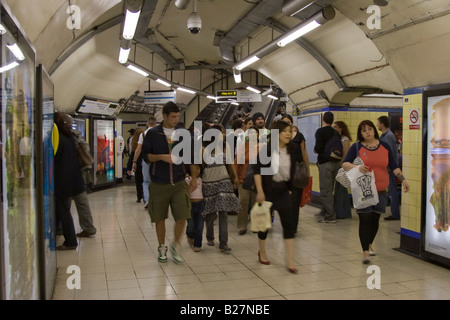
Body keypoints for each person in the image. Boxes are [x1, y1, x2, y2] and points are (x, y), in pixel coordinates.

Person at [342, 120, 409, 264]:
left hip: (381, 190)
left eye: (369, 129)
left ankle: (369, 243)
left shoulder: (384, 146)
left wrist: (403, 179)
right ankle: (365, 251)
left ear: (374, 130)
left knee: (374, 220)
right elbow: (345, 164)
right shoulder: (357, 147)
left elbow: (394, 166)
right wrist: (356, 167)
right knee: (365, 219)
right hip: (364, 190)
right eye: (364, 130)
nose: (367, 132)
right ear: (360, 133)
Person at [141, 102, 191, 263]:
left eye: (178, 116)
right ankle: (161, 247)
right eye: (173, 117)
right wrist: (162, 157)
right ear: (164, 116)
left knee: (182, 216)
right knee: (159, 217)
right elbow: (146, 156)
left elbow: (190, 156)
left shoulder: (183, 133)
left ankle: (176, 245)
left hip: (178, 182)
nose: (176, 119)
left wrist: (193, 177)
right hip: (159, 183)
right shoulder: (153, 134)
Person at [252, 120, 302, 273]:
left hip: (283, 190)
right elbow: (257, 171)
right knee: (264, 225)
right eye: (285, 131)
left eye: (289, 131)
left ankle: (290, 260)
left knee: (288, 225)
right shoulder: (267, 150)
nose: (288, 134)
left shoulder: (293, 149)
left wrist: (291, 188)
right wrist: (260, 191)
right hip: (267, 191)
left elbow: (294, 169)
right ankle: (263, 252)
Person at [202, 124, 241, 253]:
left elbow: (229, 164)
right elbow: (200, 167)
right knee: (211, 212)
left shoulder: (225, 147)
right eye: (220, 133)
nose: (223, 135)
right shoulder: (204, 149)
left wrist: (234, 178)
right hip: (209, 183)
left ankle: (223, 243)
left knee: (223, 212)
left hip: (224, 181)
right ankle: (210, 236)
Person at [54, 112, 85, 250]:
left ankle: (71, 241)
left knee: (64, 210)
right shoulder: (69, 137)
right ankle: (56, 233)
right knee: (61, 210)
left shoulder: (58, 138)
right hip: (71, 179)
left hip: (62, 181)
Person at [281, 115, 310, 232]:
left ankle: (293, 227)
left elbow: (304, 153)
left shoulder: (299, 136)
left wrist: (307, 170)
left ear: (292, 123)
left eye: (288, 122)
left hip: (297, 172)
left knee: (295, 200)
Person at [314, 111, 340, 223]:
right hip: (336, 164)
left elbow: (318, 148)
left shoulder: (320, 132)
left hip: (325, 164)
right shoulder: (336, 133)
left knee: (325, 191)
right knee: (332, 190)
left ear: (323, 119)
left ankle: (330, 215)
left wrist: (317, 150)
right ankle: (327, 212)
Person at [234, 126, 260, 235]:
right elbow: (236, 164)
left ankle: (256, 225)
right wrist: (235, 178)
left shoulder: (263, 147)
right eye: (251, 133)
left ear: (258, 135)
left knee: (256, 203)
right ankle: (242, 225)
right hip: (243, 179)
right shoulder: (243, 148)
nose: (253, 135)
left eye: (255, 133)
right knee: (243, 202)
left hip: (257, 180)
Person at [377, 116, 401, 221]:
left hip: (389, 169)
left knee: (392, 190)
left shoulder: (389, 136)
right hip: (384, 168)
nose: (377, 125)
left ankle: (395, 214)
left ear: (382, 124)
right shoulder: (383, 136)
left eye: (378, 123)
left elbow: (389, 153)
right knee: (388, 190)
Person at [132, 116, 157, 208]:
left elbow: (138, 149)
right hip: (157, 160)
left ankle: (147, 199)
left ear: (147, 123)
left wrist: (134, 161)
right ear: (156, 124)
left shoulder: (143, 135)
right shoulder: (160, 133)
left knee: (146, 181)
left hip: (146, 160)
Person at [332, 121, 352, 219]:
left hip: (343, 167)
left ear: (341, 128)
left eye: (335, 127)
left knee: (341, 190)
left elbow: (345, 154)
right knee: (340, 190)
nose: (334, 128)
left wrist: (341, 166)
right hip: (339, 166)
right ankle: (343, 212)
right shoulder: (337, 139)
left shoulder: (345, 140)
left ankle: (342, 212)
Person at [186, 164, 205, 252]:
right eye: (195, 168)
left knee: (200, 226)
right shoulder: (187, 180)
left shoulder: (202, 180)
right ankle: (189, 235)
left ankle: (197, 244)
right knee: (191, 225)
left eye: (198, 168)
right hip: (190, 206)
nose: (196, 170)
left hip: (201, 205)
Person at [127, 128, 144, 202]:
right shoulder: (146, 144)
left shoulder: (134, 146)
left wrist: (128, 168)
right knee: (145, 181)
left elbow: (131, 158)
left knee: (138, 181)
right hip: (145, 164)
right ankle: (145, 195)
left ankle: (139, 196)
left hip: (137, 165)